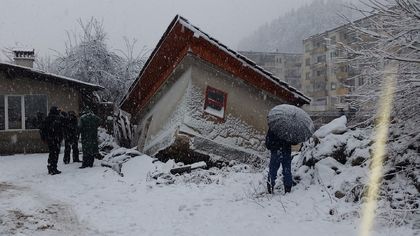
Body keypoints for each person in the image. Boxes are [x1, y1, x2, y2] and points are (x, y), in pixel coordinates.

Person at [265, 128, 292, 194]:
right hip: (286, 152)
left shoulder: (274, 127)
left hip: (276, 151)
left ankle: (270, 187)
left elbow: (268, 142)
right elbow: (294, 141)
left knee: (273, 170)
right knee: (287, 170)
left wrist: (272, 147)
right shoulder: (289, 128)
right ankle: (288, 188)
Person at [40, 106, 63, 175]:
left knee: (52, 153)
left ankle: (51, 167)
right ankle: (53, 168)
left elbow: (42, 129)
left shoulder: (48, 119)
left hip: (51, 139)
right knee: (55, 154)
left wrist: (44, 138)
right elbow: (60, 129)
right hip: (55, 139)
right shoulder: (57, 118)